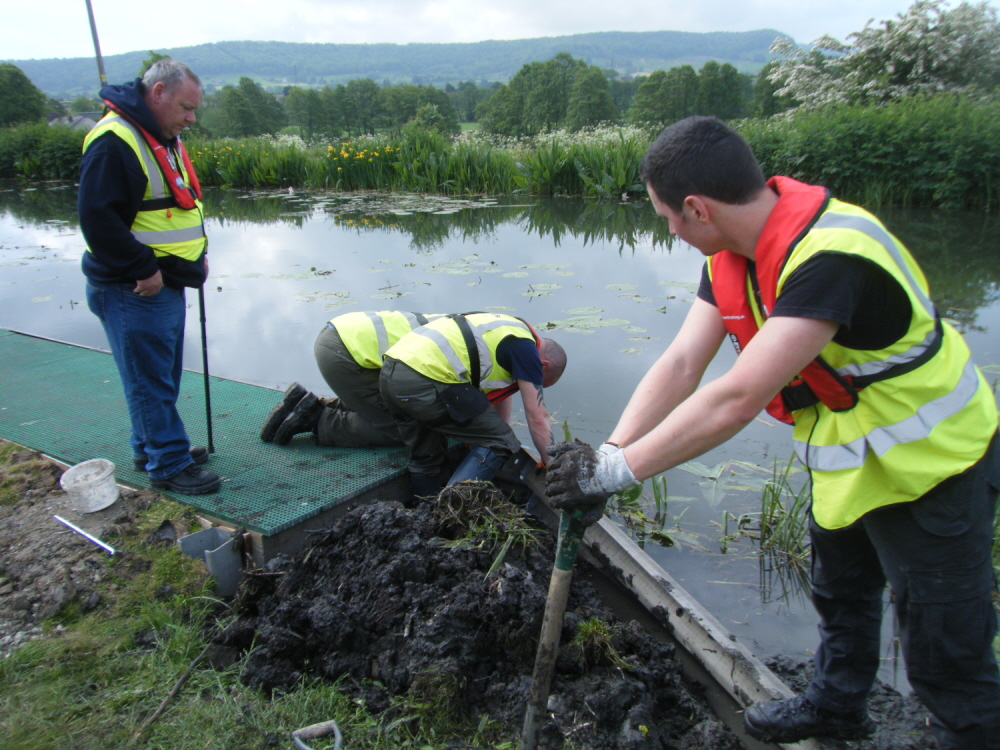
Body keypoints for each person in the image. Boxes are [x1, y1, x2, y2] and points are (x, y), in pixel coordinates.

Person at [545, 116, 1000, 749]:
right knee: (840, 594)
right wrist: (610, 451)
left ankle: (969, 734)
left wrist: (617, 475)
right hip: (851, 462)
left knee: (943, 639)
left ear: (697, 208)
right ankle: (837, 707)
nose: (669, 231)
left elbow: (735, 398)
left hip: (934, 464)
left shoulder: (832, 255)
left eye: (667, 218)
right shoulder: (733, 253)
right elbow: (682, 363)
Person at [79, 59, 221, 495]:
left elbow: (168, 207)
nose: (191, 118)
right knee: (150, 379)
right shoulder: (113, 141)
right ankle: (169, 464)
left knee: (159, 375)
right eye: (186, 107)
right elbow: (97, 219)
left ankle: (149, 447)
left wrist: (193, 261)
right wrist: (143, 268)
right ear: (157, 93)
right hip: (135, 287)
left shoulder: (158, 134)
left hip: (165, 281)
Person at [378, 312, 567, 496]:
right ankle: (451, 508)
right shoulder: (526, 349)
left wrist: (493, 430)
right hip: (424, 379)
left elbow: (502, 393)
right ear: (544, 365)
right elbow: (537, 417)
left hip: (390, 373)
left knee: (426, 455)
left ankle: (424, 510)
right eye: (539, 380)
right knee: (501, 442)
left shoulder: (509, 330)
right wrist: (551, 465)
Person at [260, 310, 446, 447]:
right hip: (348, 354)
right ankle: (318, 419)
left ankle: (308, 404)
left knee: (389, 404)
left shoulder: (464, 324)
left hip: (342, 333)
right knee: (409, 431)